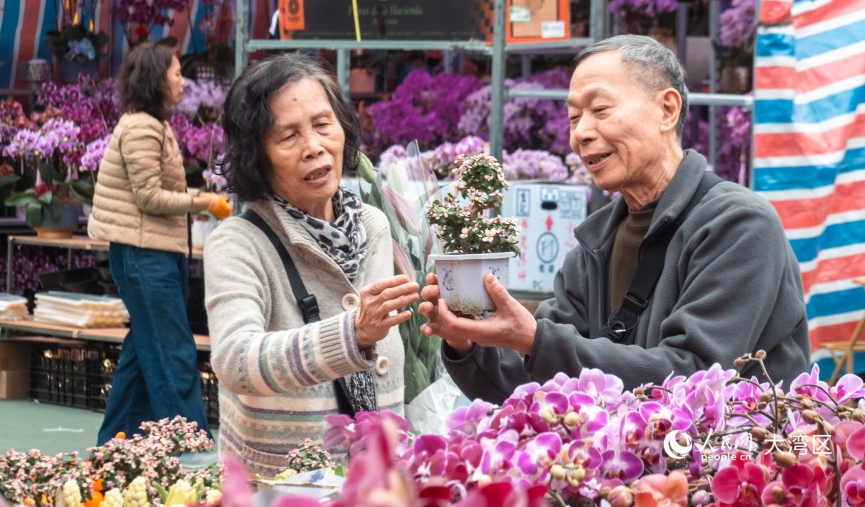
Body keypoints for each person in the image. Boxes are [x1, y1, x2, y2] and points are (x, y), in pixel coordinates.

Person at [418, 34, 810, 404]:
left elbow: (693, 378)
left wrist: (535, 339)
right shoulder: (595, 244)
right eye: (574, 117)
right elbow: (534, 383)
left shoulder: (739, 225)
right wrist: (466, 340)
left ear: (667, 110)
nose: (582, 134)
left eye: (600, 110)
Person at [205, 52, 420, 476]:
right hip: (280, 485)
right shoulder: (238, 242)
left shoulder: (373, 226)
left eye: (323, 124)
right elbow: (234, 360)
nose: (314, 147)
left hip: (375, 482)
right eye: (288, 136)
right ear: (256, 156)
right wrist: (353, 334)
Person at [89, 42, 225, 443]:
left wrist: (201, 198)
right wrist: (204, 202)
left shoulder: (152, 124)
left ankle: (115, 444)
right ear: (155, 80)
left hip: (153, 252)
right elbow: (149, 197)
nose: (183, 81)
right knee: (172, 351)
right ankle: (191, 445)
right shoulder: (141, 128)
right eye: (177, 73)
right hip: (143, 255)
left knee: (143, 351)